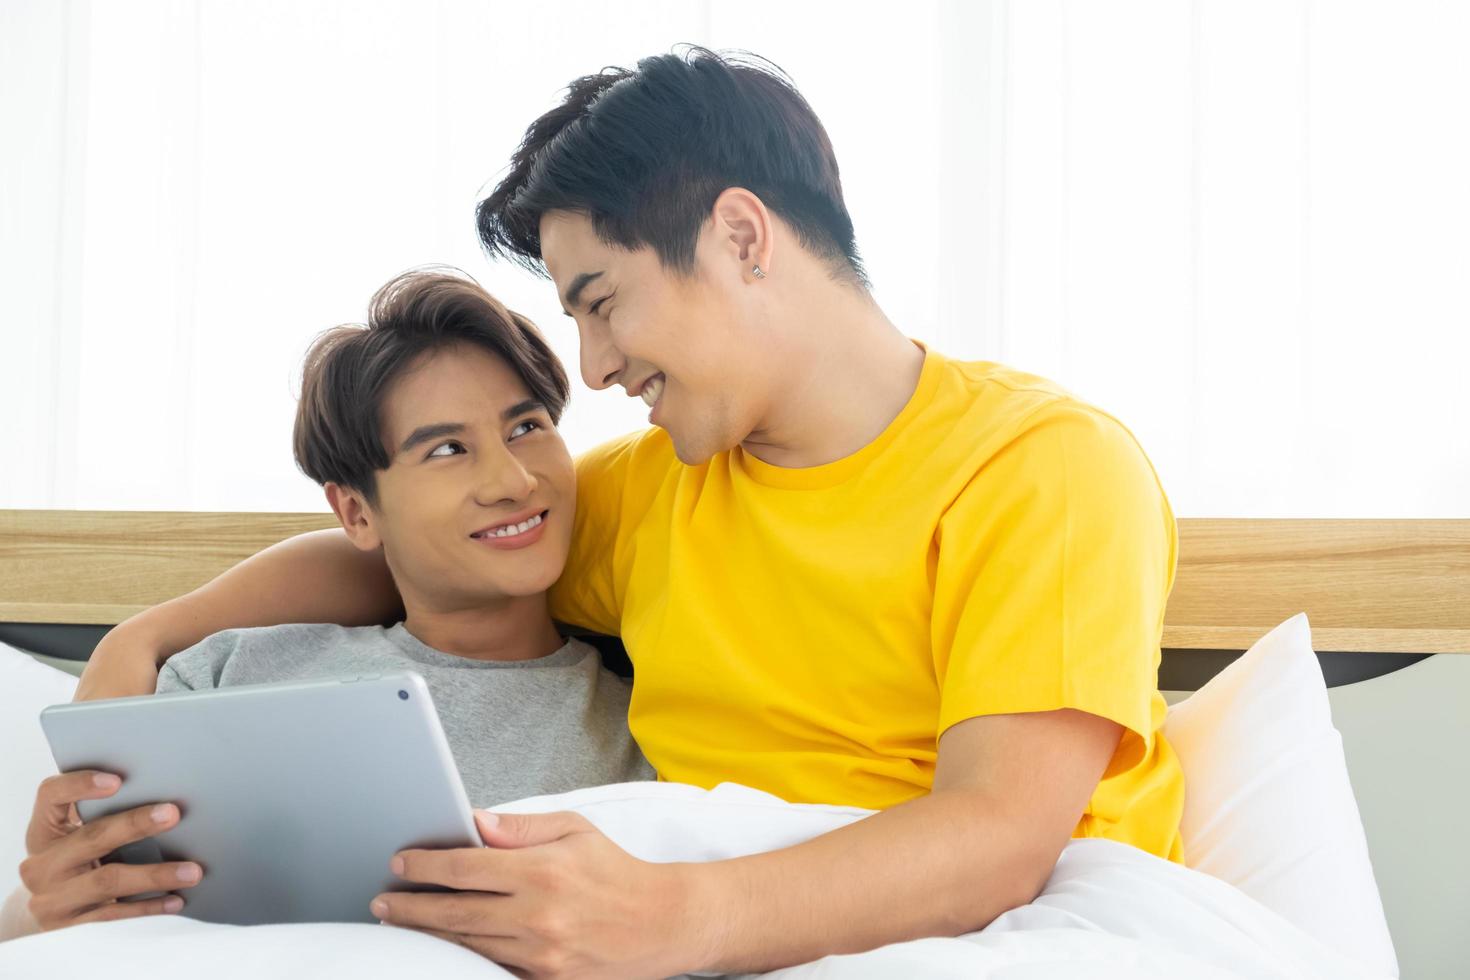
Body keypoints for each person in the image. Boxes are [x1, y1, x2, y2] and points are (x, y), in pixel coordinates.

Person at [67, 48, 1184, 977]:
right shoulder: (653, 490)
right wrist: (151, 637)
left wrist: (672, 915)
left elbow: (995, 842)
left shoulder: (1043, 466)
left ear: (741, 237)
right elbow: (417, 549)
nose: (593, 368)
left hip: (972, 929)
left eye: (601, 303)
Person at [5, 269, 652, 938]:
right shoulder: (221, 680)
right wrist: (38, 909)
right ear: (355, 511)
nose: (514, 481)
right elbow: (69, 909)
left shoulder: (645, 731)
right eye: (448, 449)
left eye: (526, 427)